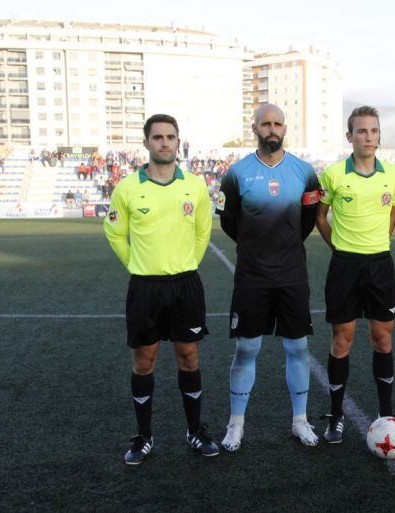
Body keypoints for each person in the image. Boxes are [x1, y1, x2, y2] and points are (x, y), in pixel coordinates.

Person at [104, 114, 216, 465]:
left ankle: (195, 430)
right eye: (157, 137)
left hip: (186, 285)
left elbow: (202, 232)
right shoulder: (127, 188)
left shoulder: (195, 186)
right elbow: (114, 232)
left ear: (178, 141)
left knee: (189, 357)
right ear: (147, 143)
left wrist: (188, 263)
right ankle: (144, 436)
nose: (164, 143)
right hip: (145, 288)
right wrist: (137, 264)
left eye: (170, 137)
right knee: (144, 361)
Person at [216, 104, 321, 451]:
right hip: (252, 274)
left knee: (299, 347)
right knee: (247, 347)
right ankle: (236, 424)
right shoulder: (237, 173)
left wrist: (285, 246)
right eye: (266, 124)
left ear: (285, 128)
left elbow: (307, 220)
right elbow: (229, 221)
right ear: (255, 128)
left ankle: (300, 421)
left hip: (292, 273)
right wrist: (255, 249)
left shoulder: (305, 172)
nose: (272, 129)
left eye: (277, 124)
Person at [315, 106, 395, 443]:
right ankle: (336, 416)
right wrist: (337, 246)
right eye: (362, 131)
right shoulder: (333, 175)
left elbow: (394, 212)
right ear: (349, 136)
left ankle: (385, 413)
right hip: (345, 266)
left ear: (380, 135)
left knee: (383, 338)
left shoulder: (393, 175)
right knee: (342, 339)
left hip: (380, 265)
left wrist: (380, 242)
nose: (369, 137)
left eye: (374, 131)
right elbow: (320, 217)